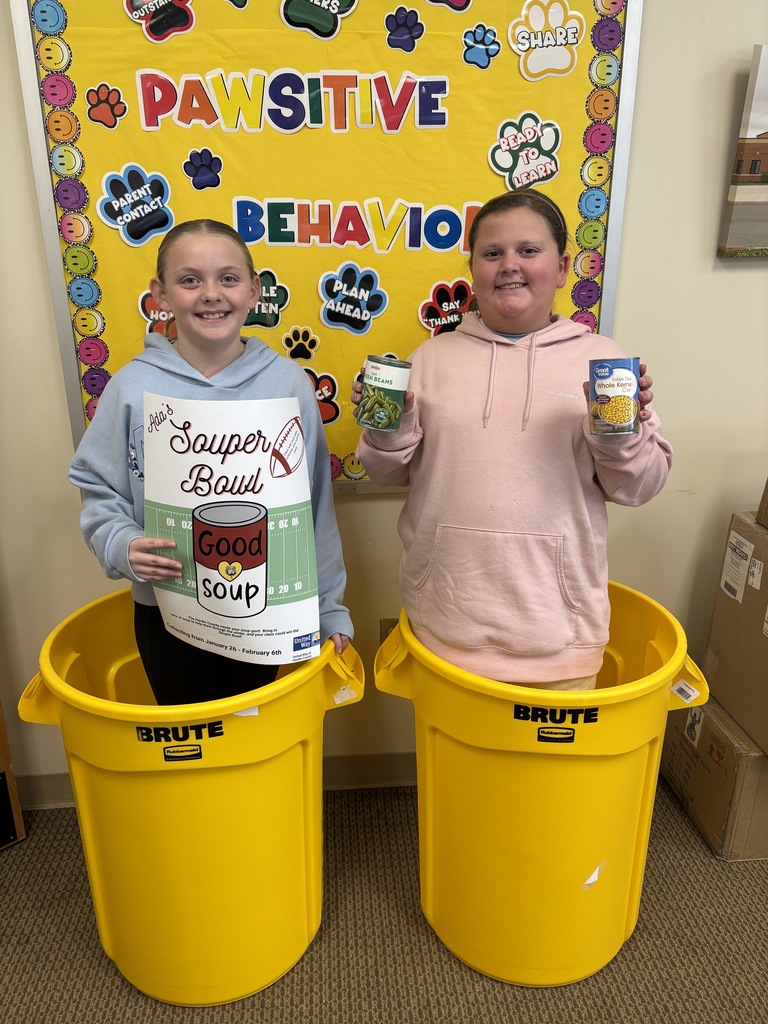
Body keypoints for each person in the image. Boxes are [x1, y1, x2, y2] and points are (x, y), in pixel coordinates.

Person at [352, 189, 672, 690]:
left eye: (529, 250)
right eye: (492, 253)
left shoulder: (604, 360)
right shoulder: (430, 359)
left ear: (563, 267)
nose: (509, 265)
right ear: (473, 268)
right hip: (442, 626)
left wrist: (622, 438)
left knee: (549, 772)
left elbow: (639, 488)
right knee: (450, 768)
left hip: (560, 636)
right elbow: (386, 472)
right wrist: (387, 428)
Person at [69, 218, 352, 704]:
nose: (210, 294)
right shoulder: (131, 388)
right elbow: (98, 488)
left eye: (227, 278)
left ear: (253, 290)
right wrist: (120, 543)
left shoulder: (288, 384)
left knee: (250, 731)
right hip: (167, 608)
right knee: (191, 739)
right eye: (189, 280)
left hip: (266, 608)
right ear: (160, 294)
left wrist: (329, 609)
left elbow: (315, 506)